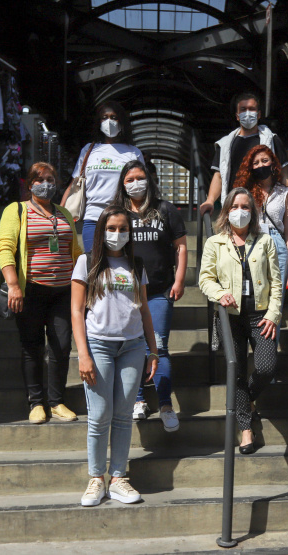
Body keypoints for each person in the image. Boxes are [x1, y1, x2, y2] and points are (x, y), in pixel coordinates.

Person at [71, 206, 159, 507]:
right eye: (112, 228)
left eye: (123, 229)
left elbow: (145, 309)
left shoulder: (136, 264)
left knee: (123, 416)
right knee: (99, 416)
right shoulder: (87, 262)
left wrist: (153, 349)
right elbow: (76, 310)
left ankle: (118, 477)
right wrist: (82, 353)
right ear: (101, 230)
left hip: (132, 346)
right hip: (98, 346)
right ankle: (96, 478)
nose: (117, 234)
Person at [0, 162, 83, 424]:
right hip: (31, 290)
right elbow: (5, 247)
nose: (46, 184)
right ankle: (36, 402)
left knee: (62, 346)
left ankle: (56, 401)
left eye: (51, 179)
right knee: (32, 347)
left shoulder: (64, 213)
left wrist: (86, 278)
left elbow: (76, 250)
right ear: (30, 184)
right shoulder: (17, 210)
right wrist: (13, 285)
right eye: (40, 179)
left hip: (63, 291)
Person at [198, 188, 281, 454]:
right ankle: (245, 429)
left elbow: (276, 283)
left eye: (245, 206)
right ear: (226, 211)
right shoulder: (215, 242)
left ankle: (246, 403)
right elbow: (205, 279)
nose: (240, 211)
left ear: (253, 212)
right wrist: (220, 293)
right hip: (229, 317)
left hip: (261, 315)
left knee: (266, 367)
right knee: (236, 370)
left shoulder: (265, 240)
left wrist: (273, 314)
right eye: (234, 206)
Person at [111, 161, 188, 431]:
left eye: (140, 177)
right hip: (126, 292)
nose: (135, 183)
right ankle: (138, 400)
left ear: (149, 180)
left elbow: (180, 247)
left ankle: (166, 403)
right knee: (133, 346)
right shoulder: (118, 213)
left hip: (159, 290)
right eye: (129, 178)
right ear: (122, 183)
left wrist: (179, 280)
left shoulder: (165, 209)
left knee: (159, 346)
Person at [61, 101, 145, 252]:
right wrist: (61, 214)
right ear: (98, 122)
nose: (109, 121)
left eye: (114, 117)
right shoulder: (89, 150)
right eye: (104, 117)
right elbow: (74, 184)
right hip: (93, 219)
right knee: (93, 265)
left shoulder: (133, 152)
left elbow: (143, 187)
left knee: (122, 266)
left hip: (123, 219)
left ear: (122, 121)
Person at [199, 92, 288, 215]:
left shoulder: (272, 140)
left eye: (252, 109)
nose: (248, 113)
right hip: (235, 207)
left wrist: (285, 203)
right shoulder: (225, 144)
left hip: (264, 207)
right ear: (237, 116)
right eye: (243, 109)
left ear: (259, 114)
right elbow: (219, 176)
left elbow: (284, 173)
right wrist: (210, 201)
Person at [231, 144, 288, 304]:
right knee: (252, 299)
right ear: (250, 167)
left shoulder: (284, 192)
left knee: (275, 302)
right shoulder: (244, 192)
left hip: (277, 244)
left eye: (265, 160)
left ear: (273, 164)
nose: (261, 165)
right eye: (256, 163)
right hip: (251, 241)